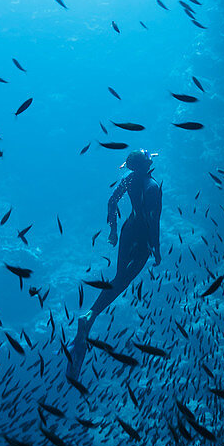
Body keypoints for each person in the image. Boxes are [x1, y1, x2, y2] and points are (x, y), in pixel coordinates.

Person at [66, 149, 162, 383]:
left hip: (128, 231)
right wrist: (156, 249)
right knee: (121, 282)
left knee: (117, 279)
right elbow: (153, 221)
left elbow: (112, 201)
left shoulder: (128, 180)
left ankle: (90, 316)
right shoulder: (153, 188)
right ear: (148, 165)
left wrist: (113, 231)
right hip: (142, 239)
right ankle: (90, 316)